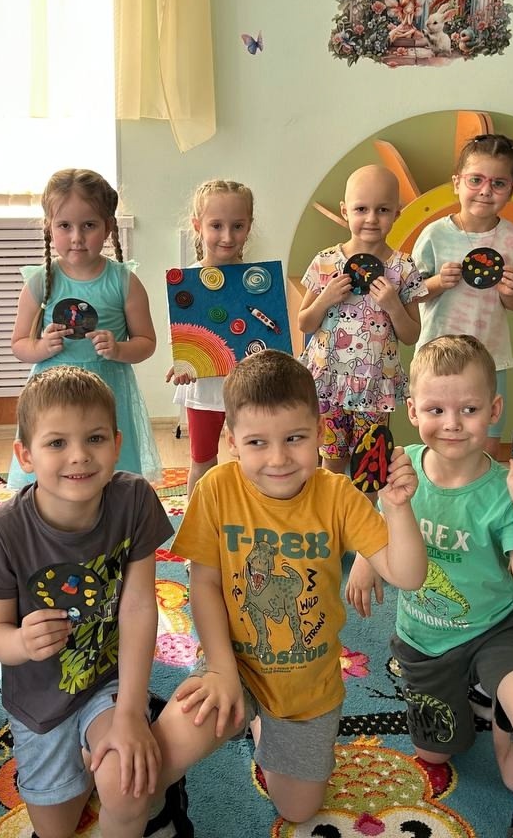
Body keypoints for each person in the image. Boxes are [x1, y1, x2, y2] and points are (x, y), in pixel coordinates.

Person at [152, 349, 428, 823]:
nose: (278, 459)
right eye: (257, 442)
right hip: (232, 662)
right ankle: (239, 711)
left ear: (319, 433)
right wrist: (220, 669)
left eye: (295, 438)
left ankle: (263, 724)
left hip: (306, 684)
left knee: (298, 810)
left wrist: (397, 507)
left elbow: (408, 575)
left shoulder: (338, 494)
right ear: (232, 441)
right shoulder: (216, 489)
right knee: (153, 764)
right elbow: (204, 583)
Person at [346, 334, 513, 838]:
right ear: (412, 411)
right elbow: (374, 517)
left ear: (494, 410)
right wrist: (365, 558)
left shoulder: (506, 491)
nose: (452, 423)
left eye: (469, 409)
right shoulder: (401, 465)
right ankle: (482, 696)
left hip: (494, 628)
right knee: (434, 753)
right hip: (423, 637)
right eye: (436, 409)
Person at [0, 366, 176, 838]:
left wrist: (130, 713)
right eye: (57, 442)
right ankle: (88, 752)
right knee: (56, 829)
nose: (79, 455)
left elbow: (140, 607)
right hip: (39, 700)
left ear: (116, 444)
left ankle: (133, 748)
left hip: (108, 680)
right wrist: (21, 641)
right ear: (25, 455)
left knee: (128, 786)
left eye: (94, 438)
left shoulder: (134, 500)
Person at [8, 168, 162, 489]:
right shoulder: (41, 281)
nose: (77, 237)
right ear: (49, 227)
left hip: (108, 391)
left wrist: (119, 349)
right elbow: (19, 344)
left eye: (89, 225)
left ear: (108, 227)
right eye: (65, 226)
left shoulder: (124, 281)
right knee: (54, 466)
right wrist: (41, 347)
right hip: (52, 396)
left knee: (109, 470)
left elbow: (146, 342)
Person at [297, 165, 426, 494]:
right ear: (345, 211)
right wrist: (325, 298)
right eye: (361, 209)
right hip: (329, 383)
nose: (371, 218)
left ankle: (365, 521)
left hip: (373, 386)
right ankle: (331, 518)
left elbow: (412, 334)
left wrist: (393, 304)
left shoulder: (403, 268)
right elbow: (304, 322)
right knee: (331, 460)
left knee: (370, 463)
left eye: (382, 210)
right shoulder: (326, 261)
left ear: (397, 213)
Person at [413, 134, 513, 458]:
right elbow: (412, 293)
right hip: (437, 355)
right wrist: (438, 282)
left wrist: (512, 292)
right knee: (438, 432)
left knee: (488, 439)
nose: (485, 190)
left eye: (498, 183)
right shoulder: (435, 235)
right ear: (457, 183)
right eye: (476, 180)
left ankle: (481, 488)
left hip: (491, 356)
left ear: (512, 189)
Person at [165, 179, 257, 495]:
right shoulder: (186, 283)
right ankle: (196, 521)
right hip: (203, 391)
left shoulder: (258, 282)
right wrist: (181, 361)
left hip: (247, 390)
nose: (227, 236)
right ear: (198, 226)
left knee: (251, 459)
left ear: (249, 226)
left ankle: (250, 515)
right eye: (216, 225)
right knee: (202, 461)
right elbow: (181, 334)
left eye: (237, 226)